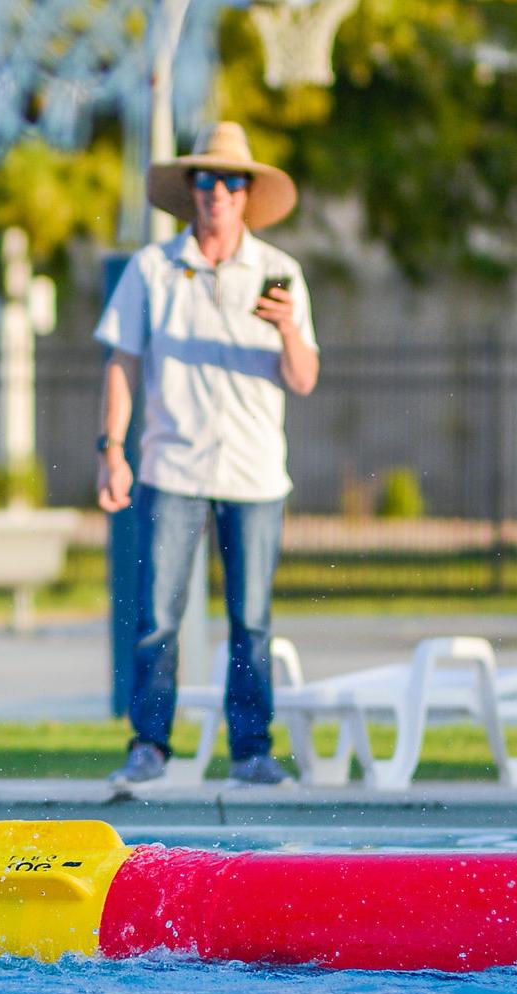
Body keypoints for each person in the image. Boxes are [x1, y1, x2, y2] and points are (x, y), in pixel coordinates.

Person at [94, 121, 320, 788]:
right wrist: (112, 449)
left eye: (231, 180)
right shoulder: (153, 268)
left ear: (248, 192)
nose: (218, 191)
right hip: (173, 466)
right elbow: (122, 363)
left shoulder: (281, 272)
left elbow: (304, 379)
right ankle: (150, 745)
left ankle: (252, 749)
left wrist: (286, 329)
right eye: (206, 179)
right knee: (156, 614)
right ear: (190, 189)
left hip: (254, 472)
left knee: (251, 620)